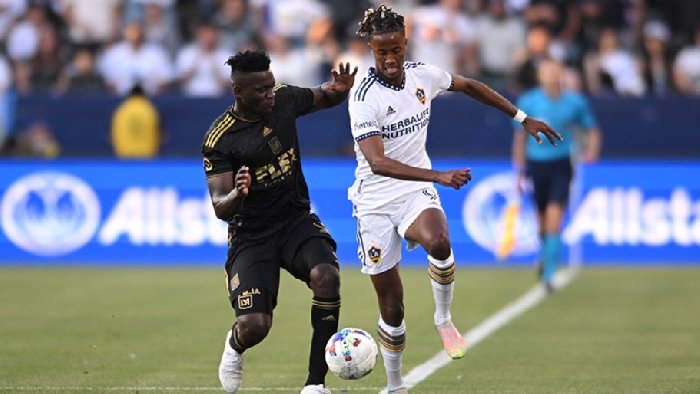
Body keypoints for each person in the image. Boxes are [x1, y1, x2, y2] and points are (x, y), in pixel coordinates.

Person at [347, 5, 562, 393]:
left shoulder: (423, 75)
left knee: (440, 241)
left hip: (413, 190)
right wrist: (439, 175)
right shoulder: (364, 97)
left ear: (405, 43)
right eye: (382, 52)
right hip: (375, 201)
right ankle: (396, 384)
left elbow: (469, 86)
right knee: (392, 307)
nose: (391, 58)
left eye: (396, 49)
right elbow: (377, 162)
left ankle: (443, 320)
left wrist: (521, 117)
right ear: (371, 51)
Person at [201, 50, 357, 394]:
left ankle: (315, 384)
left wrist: (341, 90)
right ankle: (235, 344)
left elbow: (322, 96)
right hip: (251, 236)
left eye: (271, 86)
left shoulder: (284, 100)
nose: (271, 93)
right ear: (239, 92)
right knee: (256, 326)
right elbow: (219, 205)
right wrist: (238, 196)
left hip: (294, 221)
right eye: (261, 90)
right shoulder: (220, 140)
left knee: (326, 276)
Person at [512, 58, 601, 291]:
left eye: (555, 71)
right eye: (546, 71)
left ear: (561, 74)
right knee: (541, 223)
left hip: (561, 165)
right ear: (540, 76)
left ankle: (549, 276)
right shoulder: (528, 101)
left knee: (554, 220)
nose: (551, 75)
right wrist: (519, 171)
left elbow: (591, 129)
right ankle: (545, 256)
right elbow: (519, 138)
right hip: (535, 166)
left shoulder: (574, 102)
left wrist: (591, 151)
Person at [110, 84, 161, 158]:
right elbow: (160, 135)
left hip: (125, 154)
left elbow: (111, 134)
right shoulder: (150, 109)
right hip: (146, 154)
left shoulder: (121, 110)